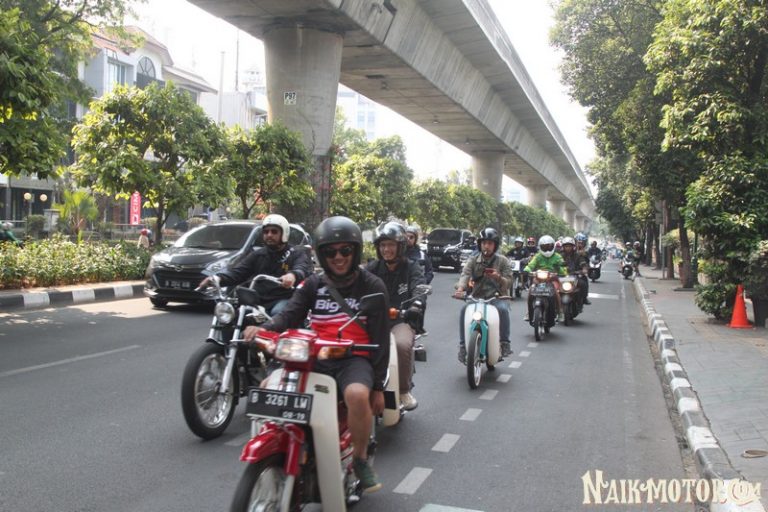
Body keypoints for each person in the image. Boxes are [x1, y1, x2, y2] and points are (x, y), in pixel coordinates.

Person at [243, 216, 389, 493]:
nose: (338, 257)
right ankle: (282, 440)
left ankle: (360, 459)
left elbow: (381, 338)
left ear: (355, 251)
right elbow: (289, 314)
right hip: (313, 356)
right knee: (268, 385)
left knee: (357, 395)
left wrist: (378, 387)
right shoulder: (312, 284)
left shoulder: (372, 286)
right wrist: (264, 329)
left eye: (345, 250)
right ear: (322, 254)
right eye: (330, 252)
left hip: (354, 357)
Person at [198, 214, 313, 317]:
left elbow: (301, 268)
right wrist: (217, 278)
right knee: (236, 315)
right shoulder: (258, 255)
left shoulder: (295, 253)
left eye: (274, 232)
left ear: (284, 234)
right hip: (259, 299)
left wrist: (292, 275)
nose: (269, 235)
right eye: (266, 232)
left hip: (284, 298)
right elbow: (238, 272)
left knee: (277, 313)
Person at [367, 222, 426, 411]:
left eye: (391, 245)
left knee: (401, 344)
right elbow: (355, 283)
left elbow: (419, 287)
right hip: (373, 321)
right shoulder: (372, 268)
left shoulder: (412, 267)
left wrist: (416, 305)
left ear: (400, 246)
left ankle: (403, 390)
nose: (386, 249)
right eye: (383, 245)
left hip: (401, 319)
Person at [453, 227, 513, 362]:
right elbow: (465, 274)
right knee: (464, 310)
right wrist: (461, 289)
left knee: (503, 310)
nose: (486, 246)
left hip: (497, 297)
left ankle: (505, 343)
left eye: (490, 243)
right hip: (477, 298)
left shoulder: (503, 261)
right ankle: (462, 346)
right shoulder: (473, 260)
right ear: (480, 244)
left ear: (495, 245)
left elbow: (509, 282)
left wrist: (498, 277)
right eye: (484, 243)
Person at [524, 235, 567, 322]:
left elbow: (563, 269)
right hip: (539, 278)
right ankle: (528, 312)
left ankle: (560, 312)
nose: (547, 249)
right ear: (540, 247)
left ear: (553, 246)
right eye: (544, 247)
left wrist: (559, 269)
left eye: (549, 247)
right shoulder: (538, 256)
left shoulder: (558, 257)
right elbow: (530, 265)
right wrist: (526, 270)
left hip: (552, 279)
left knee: (556, 292)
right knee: (531, 290)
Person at [560, 236, 591, 306]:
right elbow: (555, 264)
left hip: (575, 275)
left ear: (573, 247)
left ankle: (584, 298)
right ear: (563, 247)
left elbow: (583, 262)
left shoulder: (578, 255)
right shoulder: (559, 256)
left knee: (583, 283)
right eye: (566, 246)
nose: (568, 248)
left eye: (569, 246)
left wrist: (584, 269)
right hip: (562, 276)